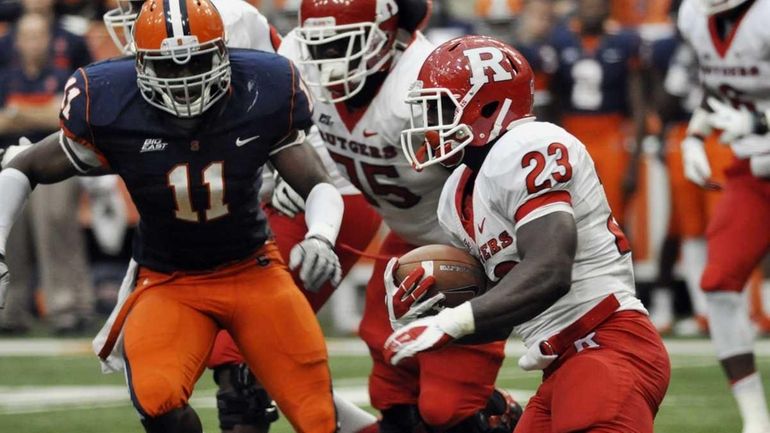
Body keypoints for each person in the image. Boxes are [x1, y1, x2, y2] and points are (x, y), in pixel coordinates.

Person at [0, 0, 343, 432]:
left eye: (196, 63)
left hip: (254, 271)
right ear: (139, 63)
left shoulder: (262, 87)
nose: (185, 79)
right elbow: (24, 167)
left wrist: (321, 235)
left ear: (223, 52)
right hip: (169, 281)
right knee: (158, 400)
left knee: (317, 417)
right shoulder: (109, 101)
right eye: (168, 68)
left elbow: (317, 183)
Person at [100, 1, 381, 432]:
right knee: (256, 369)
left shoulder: (214, 23)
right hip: (254, 187)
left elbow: (223, 120)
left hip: (306, 187)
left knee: (241, 369)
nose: (131, 10)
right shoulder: (184, 23)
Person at [386, 35, 671, 433]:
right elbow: (501, 315)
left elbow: (551, 269)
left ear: (487, 105)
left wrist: (452, 322)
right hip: (561, 365)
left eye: (442, 107)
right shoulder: (454, 195)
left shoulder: (530, 145)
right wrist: (429, 314)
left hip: (609, 345)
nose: (429, 123)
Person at [277, 0, 521, 431]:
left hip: (466, 249)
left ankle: (504, 417)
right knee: (394, 398)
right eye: (319, 46)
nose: (327, 60)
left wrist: (495, 267)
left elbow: (493, 168)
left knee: (448, 411)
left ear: (386, 34)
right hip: (406, 240)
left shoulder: (422, 85)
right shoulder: (298, 59)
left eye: (341, 45)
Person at [678, 0, 770, 431]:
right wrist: (695, 136)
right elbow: (719, 89)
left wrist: (757, 125)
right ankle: (756, 420)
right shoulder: (694, 16)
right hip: (753, 174)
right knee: (717, 283)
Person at [0, 12, 94, 334]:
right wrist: (39, 113)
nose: (32, 42)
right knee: (10, 238)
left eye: (38, 36)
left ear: (49, 41)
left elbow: (62, 118)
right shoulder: (6, 77)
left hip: (56, 164)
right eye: (27, 36)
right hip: (10, 162)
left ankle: (68, 308)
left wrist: (19, 114)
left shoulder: (66, 75)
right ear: (17, 42)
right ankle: (10, 312)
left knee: (57, 231)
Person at [548, 0, 647, 225]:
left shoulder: (625, 42)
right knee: (569, 216)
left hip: (611, 134)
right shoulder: (559, 41)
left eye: (598, 5)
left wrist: (634, 163)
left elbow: (638, 104)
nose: (592, 10)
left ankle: (619, 261)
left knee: (614, 217)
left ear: (608, 9)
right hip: (570, 133)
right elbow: (550, 99)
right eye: (587, 4)